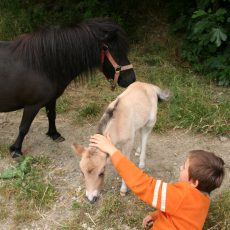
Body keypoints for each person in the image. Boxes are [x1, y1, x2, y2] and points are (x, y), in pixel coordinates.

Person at [89, 134, 225, 230]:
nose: (180, 167)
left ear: (194, 182)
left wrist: (112, 150)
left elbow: (143, 184)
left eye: (184, 167)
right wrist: (156, 215)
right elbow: (179, 214)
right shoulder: (203, 200)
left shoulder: (184, 195)